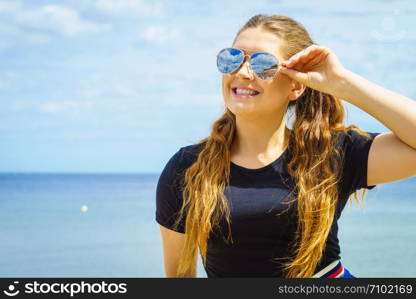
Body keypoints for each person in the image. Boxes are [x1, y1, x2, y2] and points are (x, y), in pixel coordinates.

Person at [155, 14, 416, 278]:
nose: (243, 73)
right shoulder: (188, 167)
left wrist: (342, 83)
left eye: (263, 64)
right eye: (233, 58)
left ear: (296, 86)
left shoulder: (328, 153)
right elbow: (179, 277)